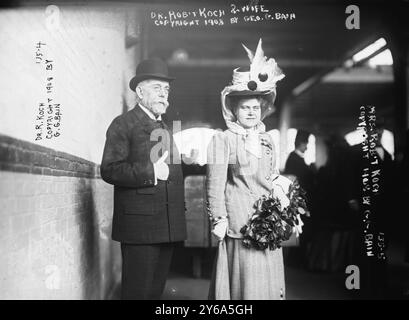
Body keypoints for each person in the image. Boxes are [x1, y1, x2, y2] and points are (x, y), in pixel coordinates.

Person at [206, 39, 287, 300]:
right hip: (240, 224)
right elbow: (215, 183)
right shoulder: (223, 139)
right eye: (245, 107)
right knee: (246, 288)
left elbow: (272, 176)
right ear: (234, 109)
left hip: (269, 222)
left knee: (269, 284)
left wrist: (284, 197)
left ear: (262, 110)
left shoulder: (267, 139)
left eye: (255, 107)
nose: (251, 112)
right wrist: (218, 218)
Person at [100, 58, 187, 299]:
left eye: (166, 90)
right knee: (138, 294)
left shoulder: (165, 127)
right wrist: (151, 172)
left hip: (166, 225)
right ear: (139, 92)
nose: (164, 95)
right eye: (157, 88)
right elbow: (109, 169)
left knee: (154, 294)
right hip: (140, 229)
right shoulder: (123, 124)